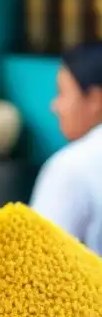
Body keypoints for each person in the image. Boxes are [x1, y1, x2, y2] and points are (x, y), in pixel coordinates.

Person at [29, 42, 102, 252]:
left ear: (95, 100)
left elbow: (40, 257)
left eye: (62, 93)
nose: (55, 106)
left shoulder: (72, 167)